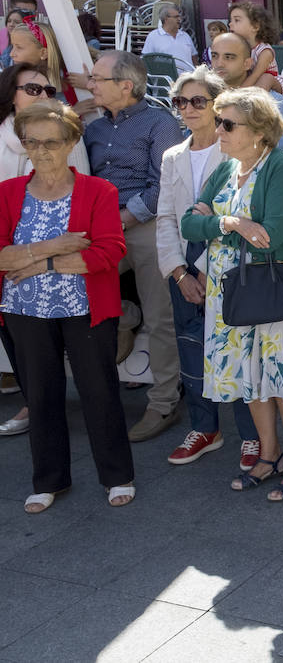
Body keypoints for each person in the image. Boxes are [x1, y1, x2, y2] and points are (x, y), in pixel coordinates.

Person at [0, 101, 133, 513]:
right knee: (40, 396)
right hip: (24, 311)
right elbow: (2, 258)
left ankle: (117, 475)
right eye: (31, 142)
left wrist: (38, 262)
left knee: (99, 392)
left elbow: (109, 251)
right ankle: (48, 480)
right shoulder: (6, 193)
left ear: (72, 141)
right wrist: (55, 247)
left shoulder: (99, 191)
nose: (41, 151)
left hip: (84, 309)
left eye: (51, 143)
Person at [181, 87, 283, 500]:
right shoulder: (225, 169)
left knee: (281, 379)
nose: (216, 128)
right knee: (250, 379)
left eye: (226, 123)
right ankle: (270, 455)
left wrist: (216, 222)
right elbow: (188, 225)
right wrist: (232, 224)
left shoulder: (282, 167)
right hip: (229, 295)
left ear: (258, 131)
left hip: (270, 291)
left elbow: (270, 237)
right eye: (218, 120)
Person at [157, 66, 262, 468]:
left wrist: (203, 268)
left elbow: (236, 212)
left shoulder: (233, 150)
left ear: (217, 104)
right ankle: (205, 427)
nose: (188, 108)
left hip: (226, 266)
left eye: (198, 101)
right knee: (190, 345)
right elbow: (165, 217)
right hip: (182, 267)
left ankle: (251, 435)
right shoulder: (173, 156)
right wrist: (179, 272)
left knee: (235, 348)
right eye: (181, 101)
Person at [84, 51, 184, 442]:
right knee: (77, 292)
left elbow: (167, 185)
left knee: (162, 316)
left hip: (144, 224)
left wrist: (124, 217)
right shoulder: (92, 128)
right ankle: (126, 315)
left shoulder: (159, 123)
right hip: (100, 229)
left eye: (96, 79)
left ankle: (163, 403)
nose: (90, 84)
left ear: (125, 86)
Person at [209, 33, 283, 158]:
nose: (219, 63)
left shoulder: (274, 103)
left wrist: (255, 125)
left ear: (247, 63)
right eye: (215, 56)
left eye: (229, 57)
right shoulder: (203, 102)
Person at [227, 1, 282, 94]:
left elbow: (256, 75)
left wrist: (238, 93)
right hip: (252, 83)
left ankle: (255, 103)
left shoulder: (265, 51)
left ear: (255, 26)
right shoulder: (242, 48)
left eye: (236, 20)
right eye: (230, 20)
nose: (230, 24)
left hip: (272, 83)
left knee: (266, 77)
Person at [140, 4, 197, 74]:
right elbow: (147, 60)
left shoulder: (185, 35)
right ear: (166, 19)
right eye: (176, 17)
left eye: (179, 16)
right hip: (167, 80)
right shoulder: (153, 36)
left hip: (188, 80)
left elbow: (194, 57)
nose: (179, 19)